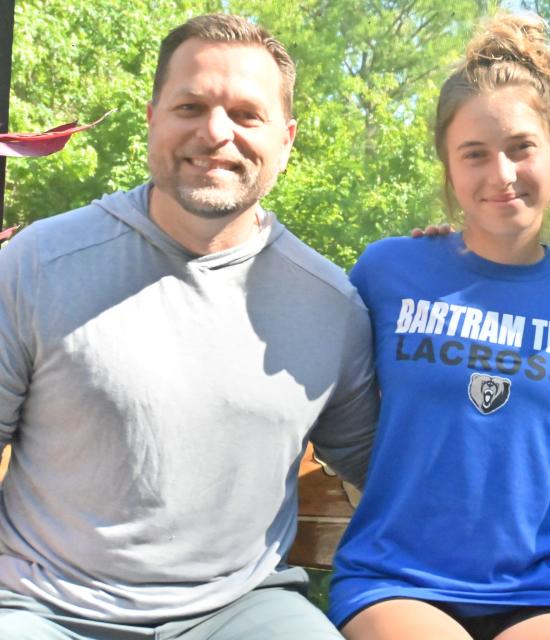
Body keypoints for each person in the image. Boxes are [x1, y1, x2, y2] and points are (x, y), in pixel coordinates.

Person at [0, 14, 378, 640]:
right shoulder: (36, 264)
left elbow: (383, 471)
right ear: (152, 118)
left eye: (246, 115)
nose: (216, 133)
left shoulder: (330, 305)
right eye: (191, 105)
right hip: (42, 610)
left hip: (240, 610)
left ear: (287, 139)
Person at [328, 13, 550, 640]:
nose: (502, 174)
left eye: (521, 148)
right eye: (475, 155)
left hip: (545, 589)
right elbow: (331, 400)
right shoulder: (389, 270)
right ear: (448, 167)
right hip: (397, 579)